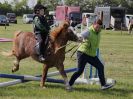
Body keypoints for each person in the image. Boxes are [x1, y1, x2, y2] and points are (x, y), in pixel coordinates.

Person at [69, 19, 115, 90]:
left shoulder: (98, 32)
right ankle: (69, 85)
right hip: (83, 53)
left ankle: (103, 85)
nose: (98, 29)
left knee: (100, 66)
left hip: (91, 55)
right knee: (79, 71)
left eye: (100, 27)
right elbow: (80, 36)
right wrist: (80, 37)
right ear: (93, 25)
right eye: (97, 27)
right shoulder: (88, 31)